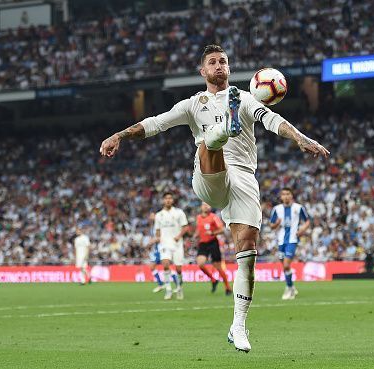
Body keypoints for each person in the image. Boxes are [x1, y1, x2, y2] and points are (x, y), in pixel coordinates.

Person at [99, 44, 329, 352]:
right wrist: (120, 135)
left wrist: (301, 138)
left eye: (223, 61)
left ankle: (238, 326)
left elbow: (273, 121)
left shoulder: (247, 98)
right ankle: (222, 130)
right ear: (203, 71)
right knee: (208, 145)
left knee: (247, 252)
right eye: (213, 62)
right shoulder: (194, 104)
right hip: (209, 179)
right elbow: (155, 123)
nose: (219, 65)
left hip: (245, 178)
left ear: (229, 69)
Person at [269, 188, 310, 300]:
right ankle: (291, 286)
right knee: (285, 266)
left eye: (288, 194)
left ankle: (289, 289)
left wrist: (302, 230)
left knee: (286, 265)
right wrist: (276, 224)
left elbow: (307, 221)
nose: (286, 196)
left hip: (292, 240)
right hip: (281, 241)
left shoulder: (298, 208)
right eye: (284, 194)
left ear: (291, 195)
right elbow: (271, 225)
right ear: (281, 197)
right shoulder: (277, 209)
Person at [151, 192, 189, 300]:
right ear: (163, 200)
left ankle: (179, 287)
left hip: (177, 243)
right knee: (166, 265)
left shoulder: (179, 212)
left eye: (170, 198)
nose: (168, 200)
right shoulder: (159, 215)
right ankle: (168, 290)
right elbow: (157, 230)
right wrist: (158, 239)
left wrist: (179, 236)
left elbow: (185, 227)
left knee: (178, 269)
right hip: (164, 244)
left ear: (172, 200)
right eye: (166, 198)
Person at [195, 202, 232, 295]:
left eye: (207, 205)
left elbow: (221, 229)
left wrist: (212, 233)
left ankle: (227, 287)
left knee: (218, 267)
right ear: (201, 207)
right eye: (204, 205)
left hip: (213, 243)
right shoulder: (198, 218)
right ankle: (213, 280)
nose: (206, 206)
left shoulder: (213, 217)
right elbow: (199, 230)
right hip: (203, 243)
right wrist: (196, 235)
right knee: (200, 264)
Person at [145, 212, 165, 293]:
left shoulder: (159, 225)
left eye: (152, 215)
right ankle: (161, 284)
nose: (150, 217)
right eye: (150, 215)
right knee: (153, 267)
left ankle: (177, 284)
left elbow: (159, 238)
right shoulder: (153, 226)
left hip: (162, 249)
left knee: (164, 267)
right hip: (157, 249)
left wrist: (150, 243)